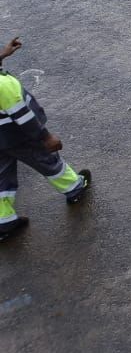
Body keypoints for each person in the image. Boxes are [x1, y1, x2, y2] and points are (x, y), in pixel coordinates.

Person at [0, 35, 91, 243]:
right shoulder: (3, 86)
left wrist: (2, 55)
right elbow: (23, 117)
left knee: (2, 176)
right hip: (18, 137)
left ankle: (3, 221)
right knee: (47, 161)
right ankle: (74, 188)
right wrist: (46, 137)